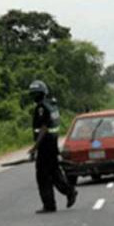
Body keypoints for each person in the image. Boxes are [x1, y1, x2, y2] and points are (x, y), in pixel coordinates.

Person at [28, 80, 77, 214]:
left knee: (43, 176)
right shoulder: (52, 105)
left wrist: (35, 147)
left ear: (41, 94)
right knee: (55, 173)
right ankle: (69, 191)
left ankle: (49, 204)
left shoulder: (41, 108)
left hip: (45, 146)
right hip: (52, 144)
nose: (33, 97)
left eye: (35, 94)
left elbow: (43, 128)